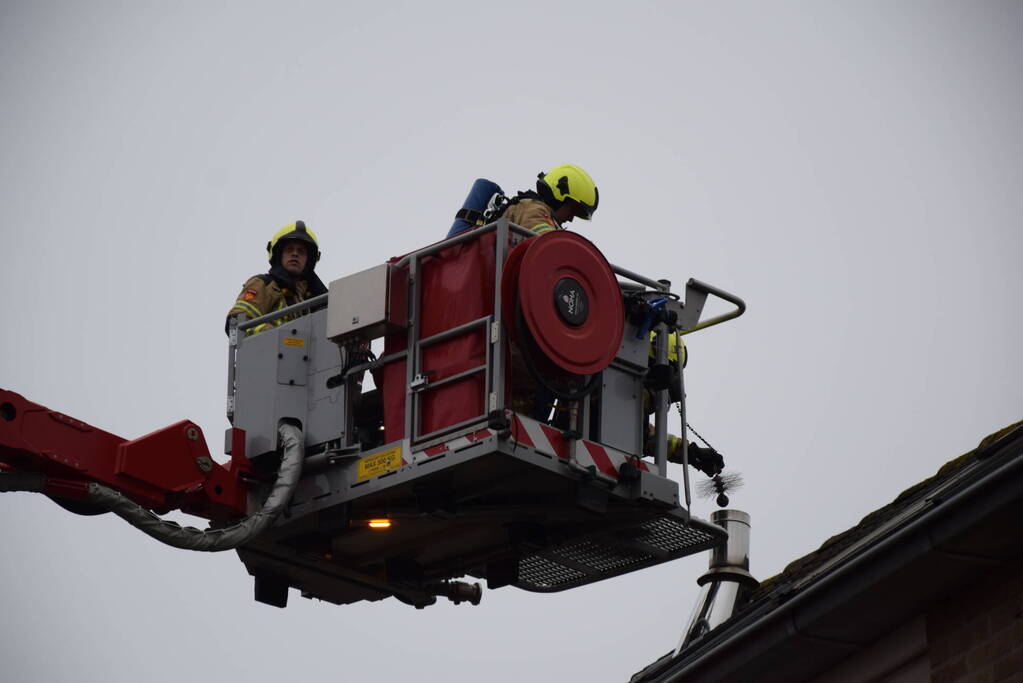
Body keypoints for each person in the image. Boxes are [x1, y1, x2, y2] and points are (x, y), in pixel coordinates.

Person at [226, 221, 327, 335]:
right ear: (280, 255)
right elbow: (237, 324)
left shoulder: (309, 299)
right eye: (289, 249)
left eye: (301, 251)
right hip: (265, 351)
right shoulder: (263, 284)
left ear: (308, 260)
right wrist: (275, 335)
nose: (295, 254)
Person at [504, 163, 599, 234]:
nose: (570, 219)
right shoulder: (532, 208)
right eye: (571, 210)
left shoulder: (546, 218)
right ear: (558, 196)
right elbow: (546, 246)